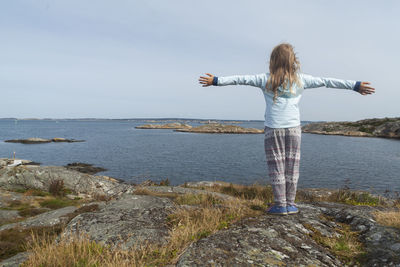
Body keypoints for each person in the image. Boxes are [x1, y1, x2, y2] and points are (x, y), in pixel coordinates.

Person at [198, 43, 375, 215]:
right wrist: (355, 85)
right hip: (294, 129)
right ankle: (290, 204)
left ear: (273, 60)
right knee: (292, 167)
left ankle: (280, 205)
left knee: (277, 166)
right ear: (293, 61)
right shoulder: (302, 80)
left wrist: (216, 81)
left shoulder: (264, 78)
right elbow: (327, 81)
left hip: (273, 129)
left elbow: (240, 79)